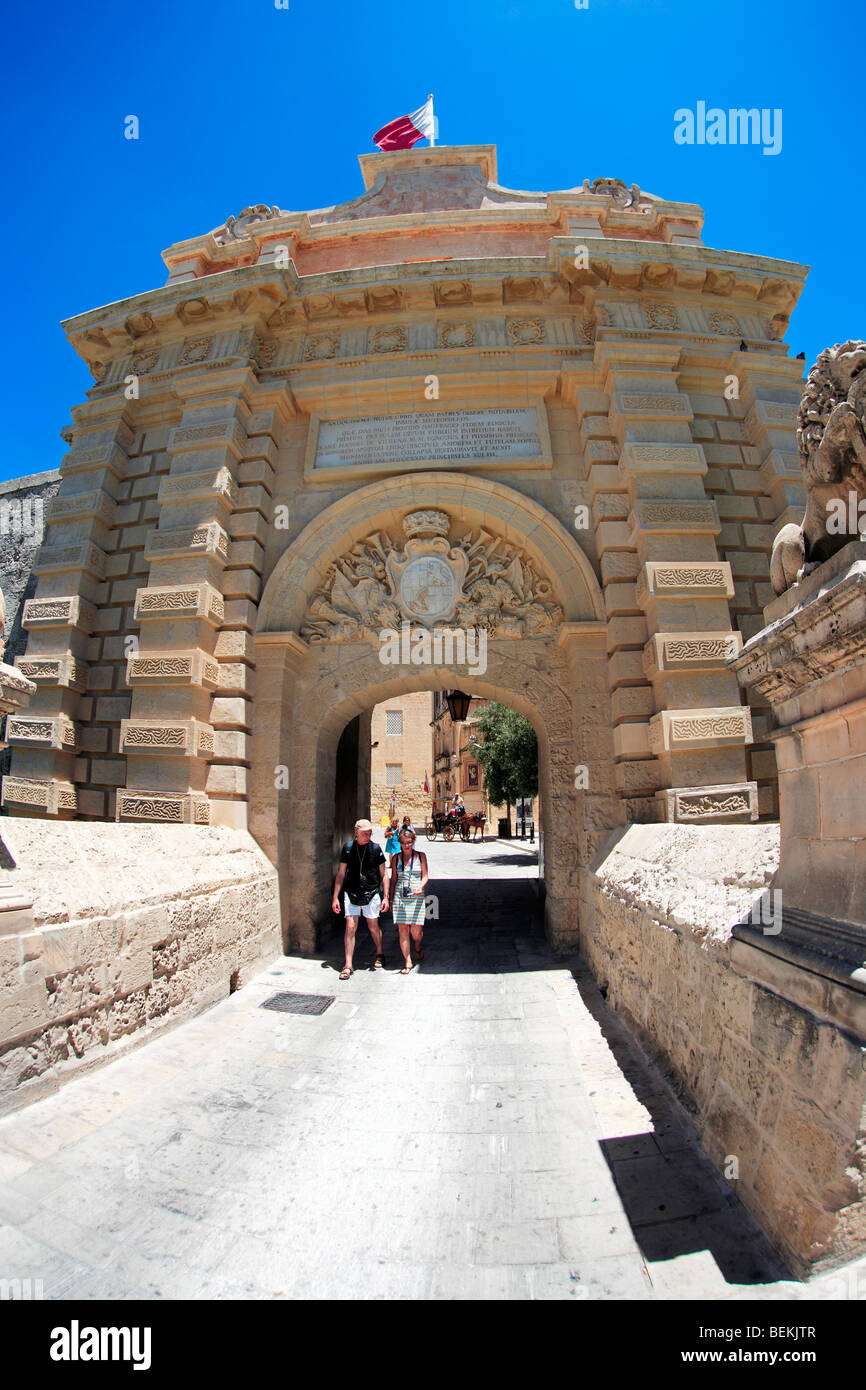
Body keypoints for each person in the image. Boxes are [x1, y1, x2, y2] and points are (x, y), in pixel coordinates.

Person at [331, 819, 390, 979]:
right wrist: (335, 897)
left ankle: (379, 951)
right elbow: (341, 873)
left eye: (370, 832)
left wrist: (386, 897)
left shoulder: (375, 849)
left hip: (371, 892)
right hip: (351, 892)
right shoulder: (348, 848)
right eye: (365, 833)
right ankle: (348, 965)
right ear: (356, 832)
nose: (368, 835)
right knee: (350, 926)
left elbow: (384, 875)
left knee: (373, 927)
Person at [390, 828, 428, 974]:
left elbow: (425, 876)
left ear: (413, 842)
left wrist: (420, 886)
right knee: (403, 930)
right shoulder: (396, 859)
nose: (407, 846)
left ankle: (417, 946)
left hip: (417, 896)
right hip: (401, 896)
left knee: (416, 932)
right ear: (400, 843)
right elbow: (393, 879)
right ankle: (408, 961)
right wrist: (391, 899)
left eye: (409, 842)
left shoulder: (421, 856)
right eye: (404, 843)